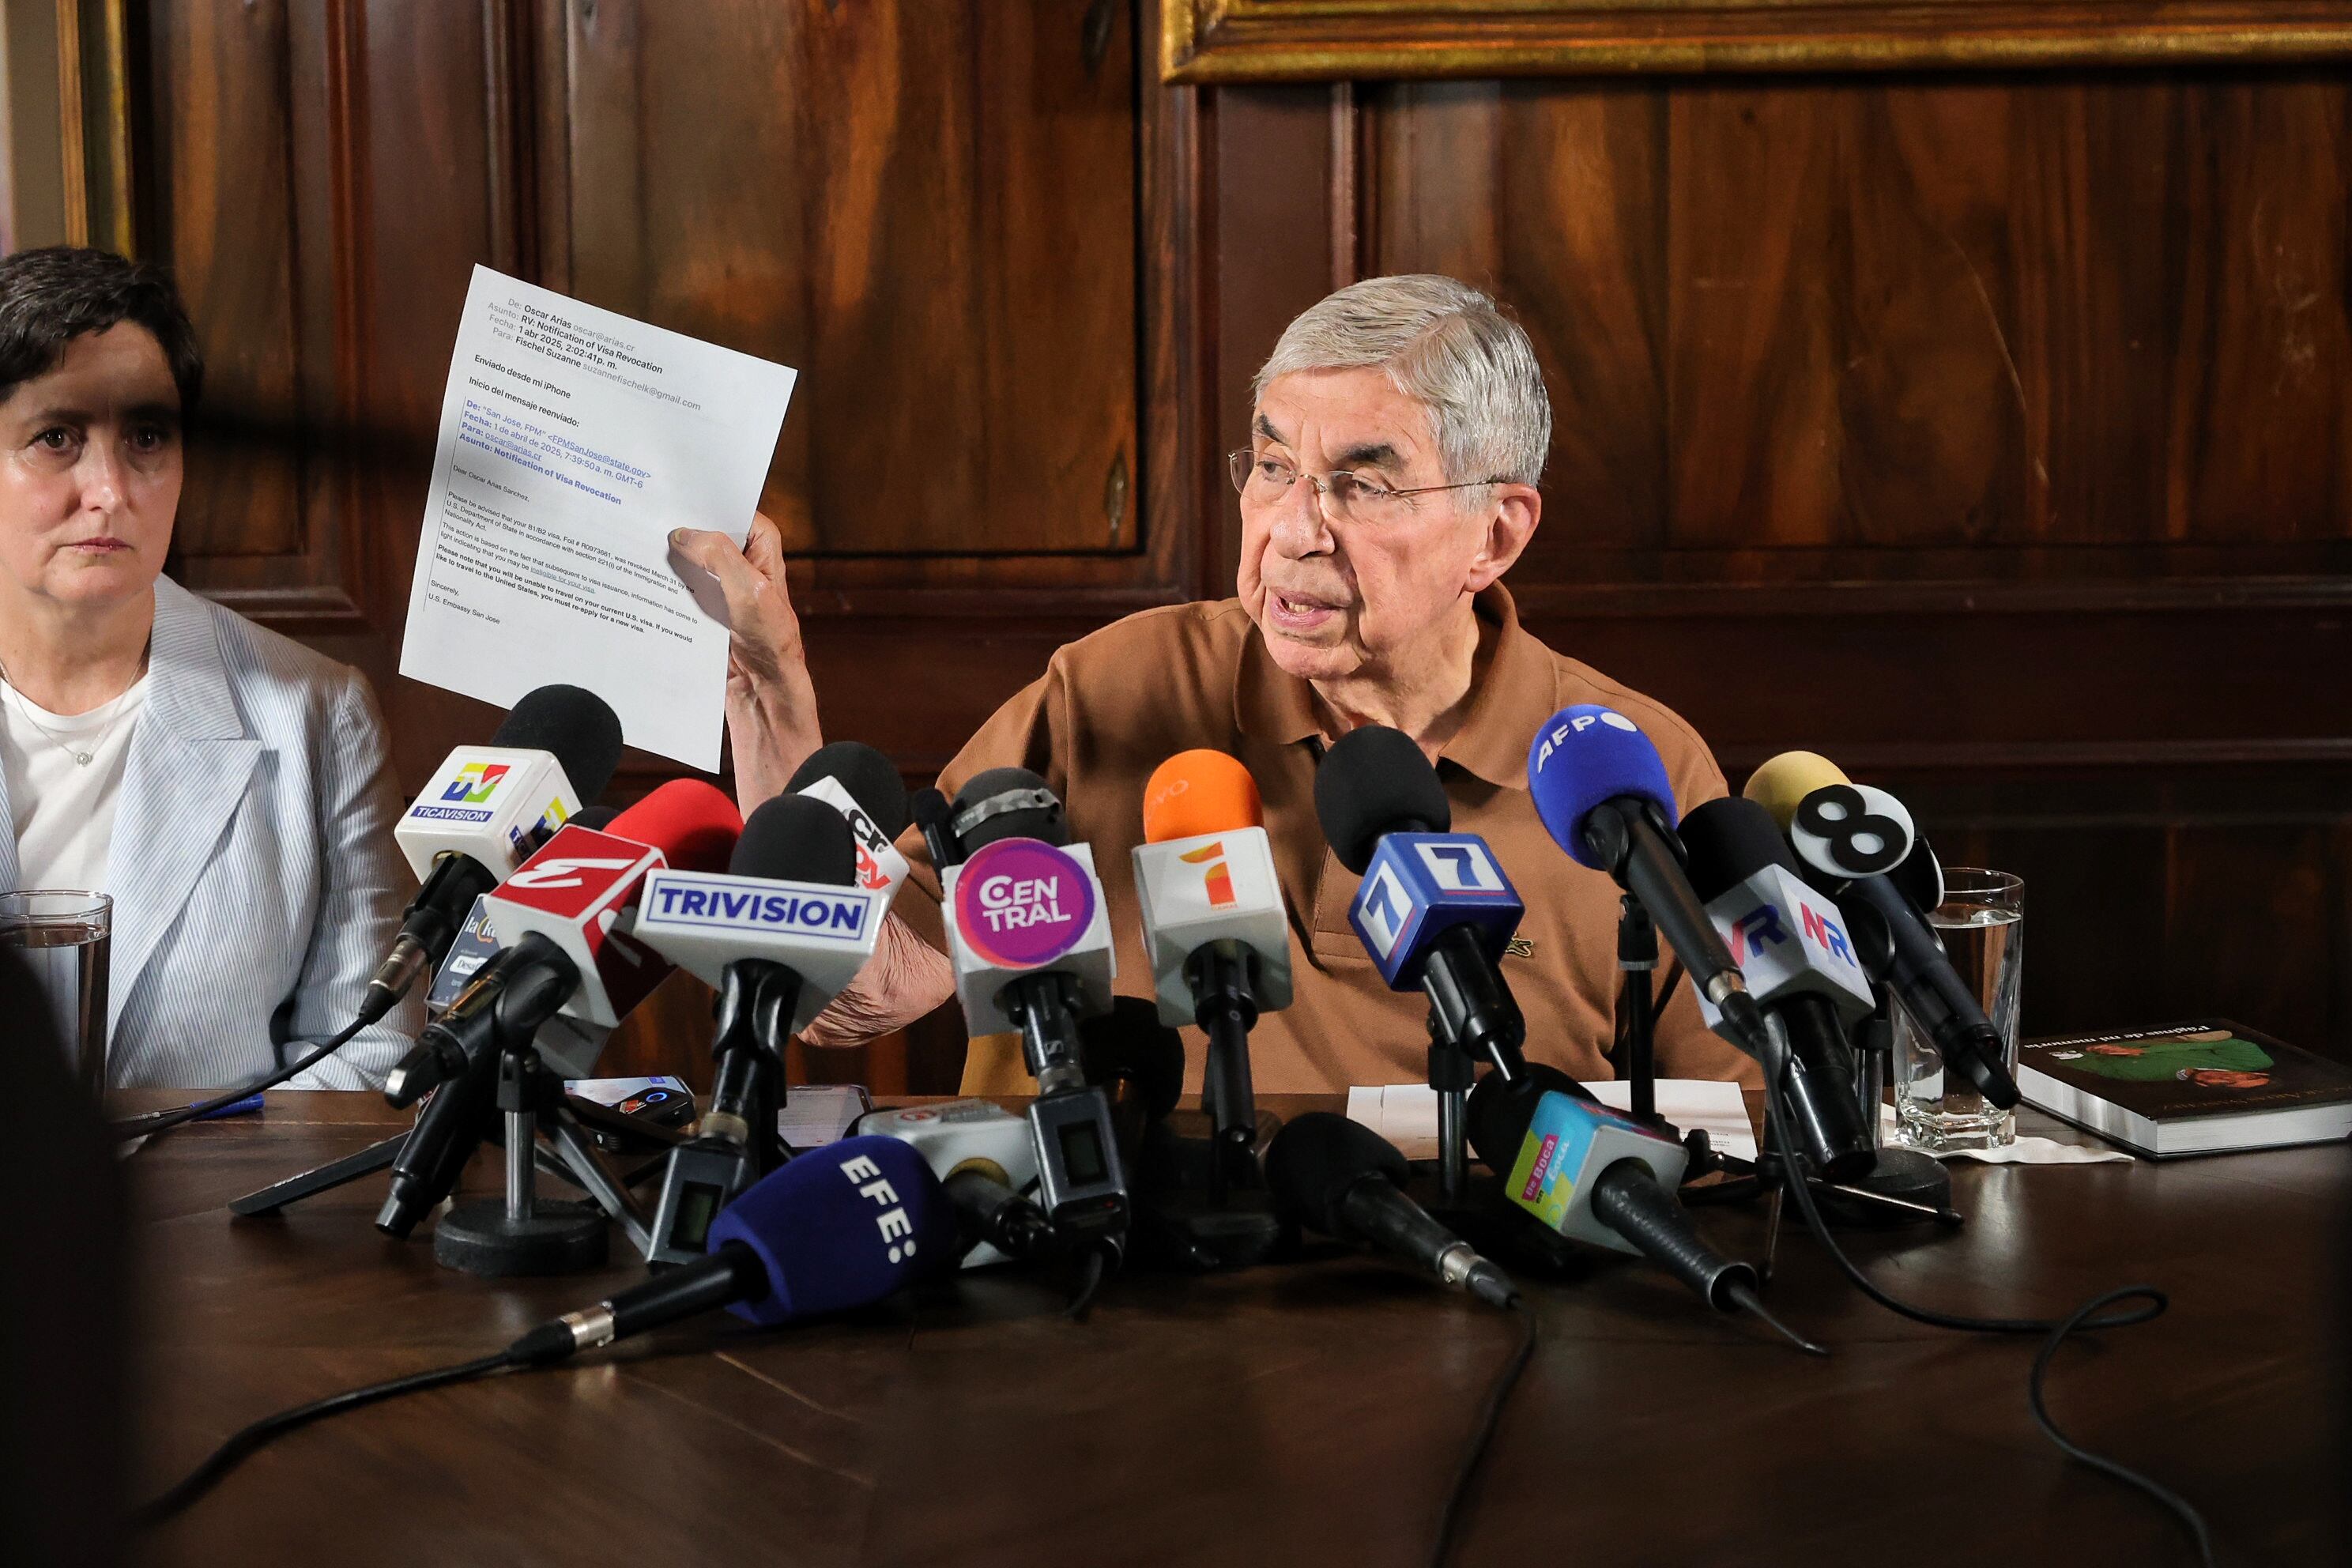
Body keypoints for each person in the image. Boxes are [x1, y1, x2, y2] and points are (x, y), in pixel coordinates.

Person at [675, 274, 1756, 1091]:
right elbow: (856, 996)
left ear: (1497, 531)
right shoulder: (1115, 689)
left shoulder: (1633, 768)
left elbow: (1735, 1137)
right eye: (1274, 466)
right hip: (1124, 1314)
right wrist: (769, 678)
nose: (1291, 531)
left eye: (1362, 486)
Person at [0, 247, 419, 1088]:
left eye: (146, 437)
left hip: (215, 1217)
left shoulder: (317, 714)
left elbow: (369, 1060)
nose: (111, 490)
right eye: (57, 437)